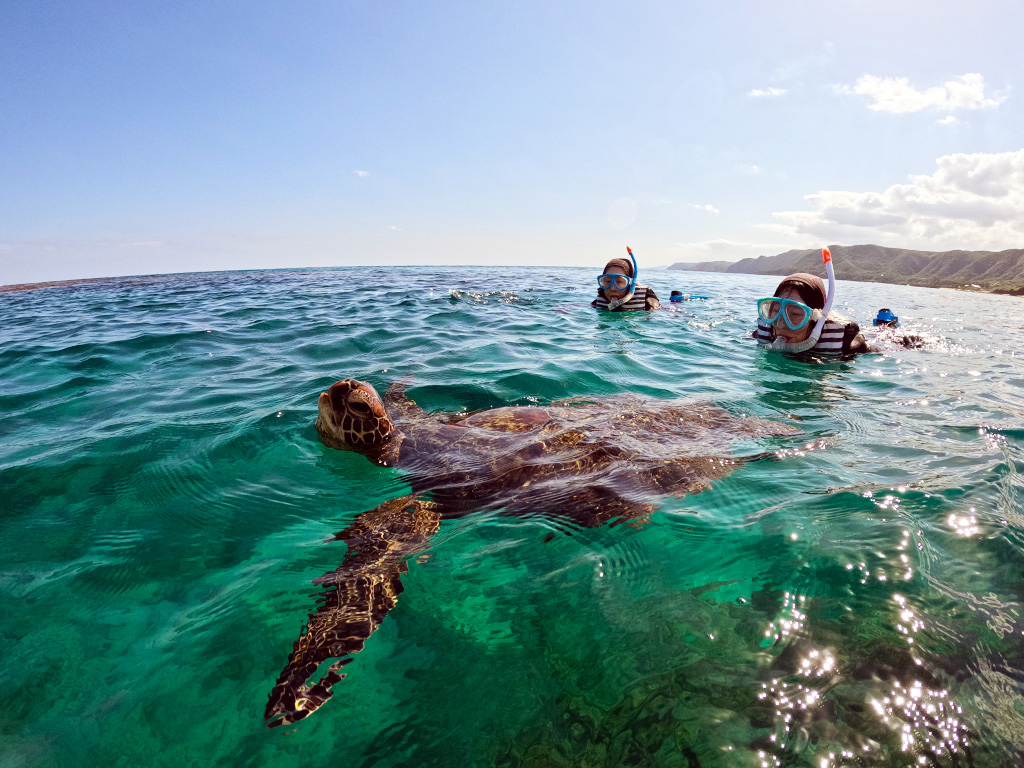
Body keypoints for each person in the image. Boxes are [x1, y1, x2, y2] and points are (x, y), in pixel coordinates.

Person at [755, 272, 873, 355]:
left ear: (816, 318)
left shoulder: (849, 345)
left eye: (795, 314)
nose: (780, 323)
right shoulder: (764, 333)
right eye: (775, 311)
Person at [592, 249, 661, 311]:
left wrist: (653, 307)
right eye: (608, 281)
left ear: (630, 284)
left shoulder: (648, 302)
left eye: (619, 281)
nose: (613, 288)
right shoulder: (600, 299)